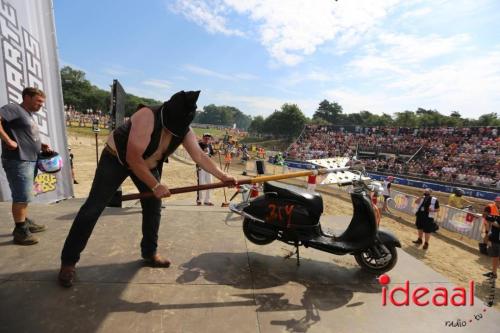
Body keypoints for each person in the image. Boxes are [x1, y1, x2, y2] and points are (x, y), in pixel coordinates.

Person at [58, 90, 236, 288]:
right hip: (116, 159)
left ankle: (149, 252)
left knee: (153, 208)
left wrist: (223, 177)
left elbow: (200, 157)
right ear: (167, 112)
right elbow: (133, 158)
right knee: (93, 208)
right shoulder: (147, 116)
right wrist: (156, 185)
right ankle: (68, 262)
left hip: (149, 164)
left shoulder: (184, 128)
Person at [0, 87, 51, 245]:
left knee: (25, 194)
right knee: (22, 195)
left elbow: (24, 135)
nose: (40, 106)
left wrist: (40, 145)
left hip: (30, 159)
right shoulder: (13, 108)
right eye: (38, 101)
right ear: (27, 97)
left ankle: (24, 221)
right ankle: (20, 230)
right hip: (18, 160)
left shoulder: (27, 114)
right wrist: (8, 140)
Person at [482, 197, 500, 278]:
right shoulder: (491, 207)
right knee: (495, 257)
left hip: (497, 239)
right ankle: (493, 273)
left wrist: (492, 221)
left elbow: (498, 225)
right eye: (497, 202)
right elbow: (485, 216)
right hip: (495, 238)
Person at [196, 133, 214, 206]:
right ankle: (199, 200)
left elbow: (211, 154)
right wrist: (204, 153)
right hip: (201, 166)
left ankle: (207, 200)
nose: (207, 140)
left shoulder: (209, 145)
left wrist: (217, 152)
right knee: (201, 183)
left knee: (210, 183)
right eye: (206, 138)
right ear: (203, 138)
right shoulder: (198, 145)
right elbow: (197, 154)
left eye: (208, 138)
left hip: (209, 166)